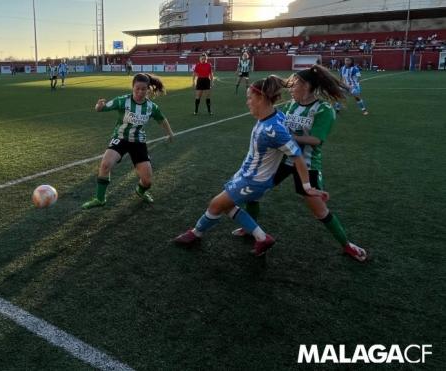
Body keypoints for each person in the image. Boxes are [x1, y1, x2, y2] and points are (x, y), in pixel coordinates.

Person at [174, 76, 328, 256]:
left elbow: (297, 156)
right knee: (227, 205)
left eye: (250, 98)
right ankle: (261, 238)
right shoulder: (275, 115)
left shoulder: (273, 129)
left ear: (262, 98)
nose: (247, 102)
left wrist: (307, 187)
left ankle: (195, 233)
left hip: (253, 181)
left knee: (215, 204)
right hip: (248, 174)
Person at [232, 65, 368, 262]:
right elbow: (281, 126)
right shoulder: (291, 106)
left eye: (295, 85)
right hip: (283, 160)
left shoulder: (323, 109)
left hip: (307, 163)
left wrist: (288, 138)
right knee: (254, 191)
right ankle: (249, 228)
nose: (291, 89)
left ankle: (347, 245)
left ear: (306, 87)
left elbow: (316, 140)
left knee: (319, 210)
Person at [82, 73, 174, 209]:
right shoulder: (123, 100)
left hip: (138, 143)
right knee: (105, 164)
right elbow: (102, 108)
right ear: (132, 87)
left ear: (148, 89)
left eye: (143, 89)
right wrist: (99, 106)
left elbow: (161, 119)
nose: (140, 92)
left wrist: (170, 133)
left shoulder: (151, 107)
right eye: (137, 88)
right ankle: (100, 199)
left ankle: (140, 191)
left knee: (147, 181)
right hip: (120, 138)